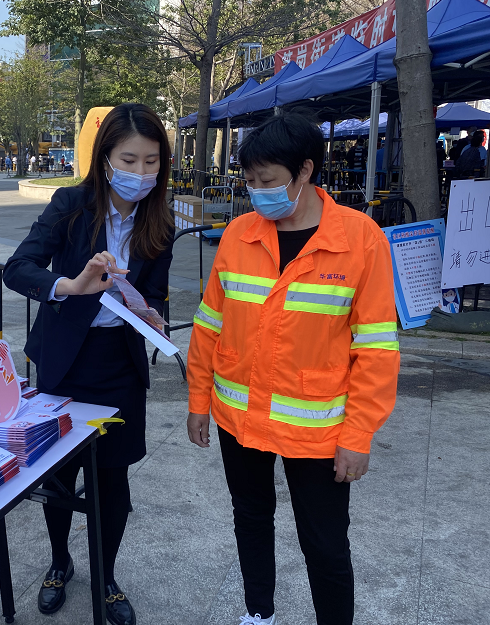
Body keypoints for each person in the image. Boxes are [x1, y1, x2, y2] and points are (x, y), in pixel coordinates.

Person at [187, 113, 400, 625]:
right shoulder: (239, 235)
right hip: (239, 418)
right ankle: (258, 613)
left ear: (305, 170)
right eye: (250, 181)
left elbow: (376, 348)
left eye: (268, 180)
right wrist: (198, 400)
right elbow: (210, 325)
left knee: (325, 544)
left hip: (317, 429)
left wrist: (359, 436)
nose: (257, 192)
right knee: (251, 520)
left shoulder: (360, 239)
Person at [3, 103, 174, 625]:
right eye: (130, 160)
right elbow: (19, 267)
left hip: (119, 364)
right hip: (64, 364)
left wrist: (153, 315)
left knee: (112, 480)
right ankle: (60, 562)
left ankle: (107, 575)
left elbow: (155, 293)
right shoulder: (71, 205)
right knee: (60, 477)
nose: (141, 173)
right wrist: (70, 286)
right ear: (105, 159)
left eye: (152, 162)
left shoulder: (160, 220)